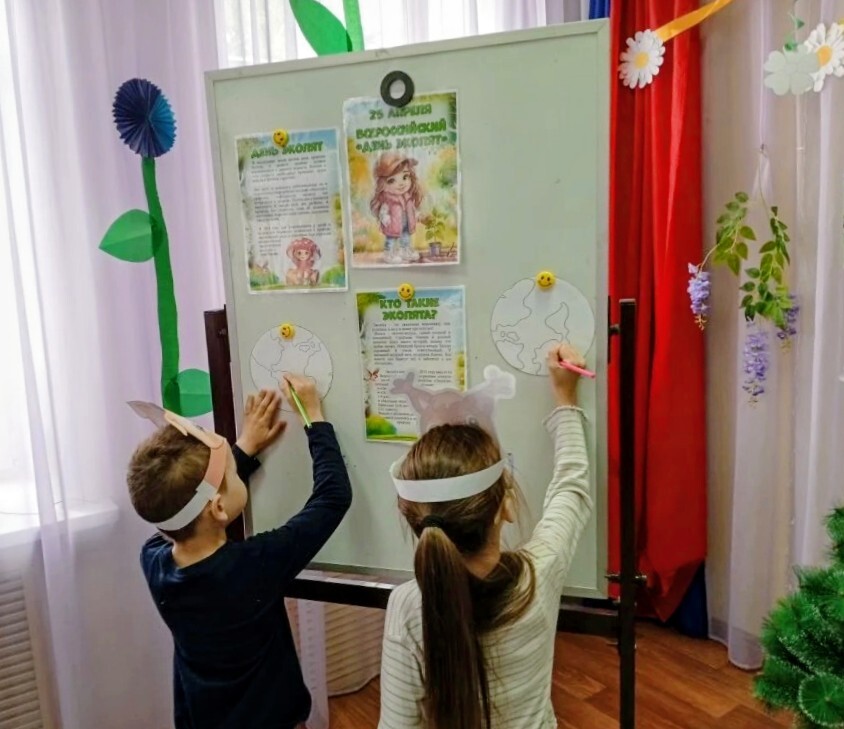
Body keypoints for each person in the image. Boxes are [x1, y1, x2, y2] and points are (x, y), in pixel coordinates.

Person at [379, 343, 592, 729]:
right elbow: (571, 491)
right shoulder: (538, 575)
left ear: (414, 519)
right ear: (504, 508)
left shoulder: (408, 606)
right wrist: (565, 399)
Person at [127, 377, 351, 729]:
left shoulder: (154, 560)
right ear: (218, 508)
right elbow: (332, 498)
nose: (236, 467)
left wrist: (244, 449)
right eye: (232, 473)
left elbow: (186, 517)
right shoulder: (254, 567)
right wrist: (313, 417)